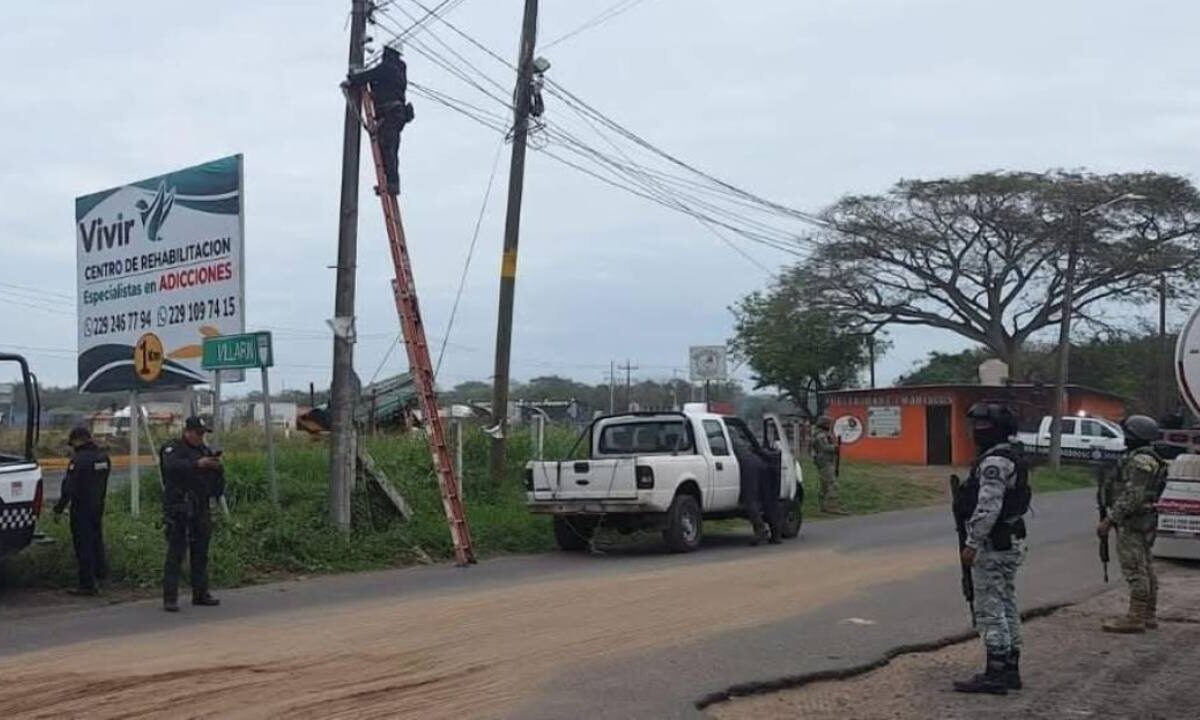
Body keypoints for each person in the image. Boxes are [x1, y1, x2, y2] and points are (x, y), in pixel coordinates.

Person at [953, 402, 1030, 695]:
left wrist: (972, 543)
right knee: (1007, 603)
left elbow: (988, 506)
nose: (974, 431)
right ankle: (1010, 668)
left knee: (991, 607)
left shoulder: (995, 462)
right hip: (1009, 541)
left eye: (979, 426)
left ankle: (995, 672)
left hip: (994, 544)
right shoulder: (1012, 455)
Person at [1098, 415, 1166, 633]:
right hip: (1144, 519)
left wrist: (1110, 520)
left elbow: (1132, 496)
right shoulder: (1150, 458)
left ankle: (1136, 618)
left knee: (1135, 569)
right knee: (1145, 566)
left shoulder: (1140, 462)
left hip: (1132, 520)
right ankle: (1148, 614)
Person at [160, 416, 224, 612]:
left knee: (201, 552)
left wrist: (216, 469)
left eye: (203, 433)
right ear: (187, 431)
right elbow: (171, 467)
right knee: (176, 553)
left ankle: (200, 593)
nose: (200, 437)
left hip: (200, 506)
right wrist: (198, 464)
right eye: (198, 433)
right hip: (179, 507)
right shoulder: (173, 448)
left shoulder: (203, 451)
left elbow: (215, 479)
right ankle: (170, 598)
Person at [347, 43, 413, 196]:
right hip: (395, 114)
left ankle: (391, 183)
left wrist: (353, 77)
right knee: (388, 149)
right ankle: (389, 182)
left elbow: (368, 76)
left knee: (388, 147)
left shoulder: (388, 68)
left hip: (390, 114)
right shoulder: (398, 69)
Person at [53, 427, 110, 596]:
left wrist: (59, 508)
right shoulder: (103, 458)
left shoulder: (78, 461)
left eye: (73, 444)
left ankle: (87, 585)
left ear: (78, 440)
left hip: (81, 509)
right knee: (96, 542)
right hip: (98, 506)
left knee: (83, 545)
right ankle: (101, 576)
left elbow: (69, 488)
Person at [812, 416, 845, 514]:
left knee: (825, 485)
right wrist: (835, 448)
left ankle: (824, 506)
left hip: (825, 461)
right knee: (832, 484)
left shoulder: (821, 434)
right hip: (825, 462)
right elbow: (824, 447)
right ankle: (832, 506)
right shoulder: (821, 436)